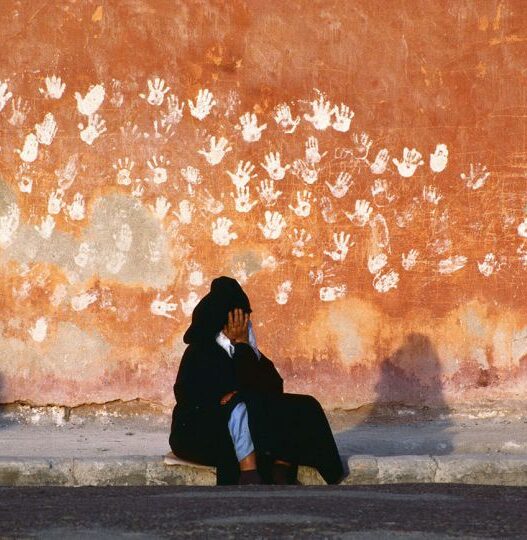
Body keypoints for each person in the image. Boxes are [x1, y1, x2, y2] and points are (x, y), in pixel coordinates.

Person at [169, 276, 344, 485]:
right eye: (237, 319)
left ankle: (284, 468)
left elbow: (273, 388)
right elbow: (197, 398)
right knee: (238, 407)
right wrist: (233, 392)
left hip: (245, 424)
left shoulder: (247, 351)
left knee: (303, 405)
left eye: (245, 320)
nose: (244, 325)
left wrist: (243, 347)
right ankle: (248, 474)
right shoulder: (200, 352)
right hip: (200, 432)